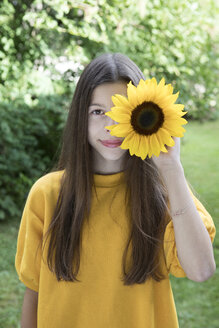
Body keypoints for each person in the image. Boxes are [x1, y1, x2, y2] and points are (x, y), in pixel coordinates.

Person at [15, 53, 216, 328]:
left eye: (123, 112)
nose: (111, 126)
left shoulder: (162, 192)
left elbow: (202, 269)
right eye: (97, 112)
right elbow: (34, 291)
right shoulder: (46, 194)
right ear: (80, 118)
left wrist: (171, 168)